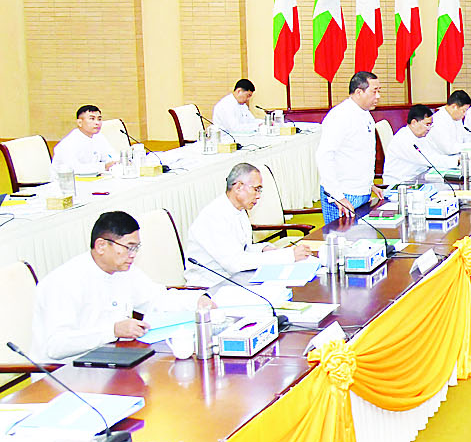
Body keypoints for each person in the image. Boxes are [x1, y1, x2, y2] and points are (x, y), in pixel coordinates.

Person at [32, 211, 214, 361]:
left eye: (136, 248)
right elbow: (56, 346)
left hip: (112, 360)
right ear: (101, 246)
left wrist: (197, 301)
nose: (133, 255)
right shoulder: (65, 282)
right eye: (129, 247)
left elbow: (156, 299)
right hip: (67, 373)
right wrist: (113, 331)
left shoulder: (124, 271)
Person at [184, 162, 310, 285]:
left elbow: (242, 248)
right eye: (256, 189)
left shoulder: (239, 210)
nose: (258, 196)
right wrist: (287, 256)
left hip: (236, 278)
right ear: (238, 187)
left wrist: (263, 249)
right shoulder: (214, 216)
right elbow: (236, 263)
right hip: (211, 286)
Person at [317, 71, 384, 225]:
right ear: (359, 92)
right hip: (343, 194)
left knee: (363, 236)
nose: (378, 96)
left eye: (379, 91)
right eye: (374, 91)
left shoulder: (366, 114)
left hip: (361, 190)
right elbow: (324, 156)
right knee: (343, 237)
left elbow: (359, 154)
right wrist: (337, 195)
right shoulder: (340, 116)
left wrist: (369, 184)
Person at [383, 104, 459, 185]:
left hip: (418, 178)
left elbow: (433, 153)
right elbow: (429, 159)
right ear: (414, 123)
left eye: (430, 125)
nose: (429, 128)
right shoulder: (404, 139)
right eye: (427, 125)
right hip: (400, 184)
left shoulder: (420, 135)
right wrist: (457, 161)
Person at [51, 104, 120, 176]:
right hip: (67, 180)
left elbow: (110, 156)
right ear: (80, 123)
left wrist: (117, 162)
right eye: (92, 119)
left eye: (99, 119)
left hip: (92, 178)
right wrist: (103, 166)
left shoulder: (98, 137)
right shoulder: (69, 142)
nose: (97, 123)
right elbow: (73, 168)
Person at [427, 90, 471, 157]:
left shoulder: (456, 117)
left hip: (456, 156)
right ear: (454, 107)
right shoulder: (438, 120)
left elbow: (464, 138)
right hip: (442, 159)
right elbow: (449, 149)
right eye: (464, 110)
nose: (465, 114)